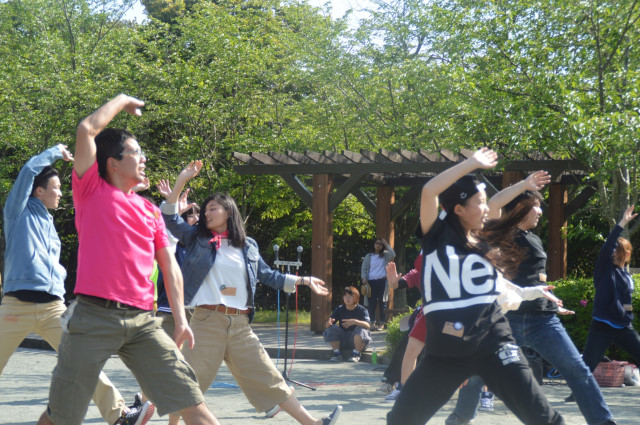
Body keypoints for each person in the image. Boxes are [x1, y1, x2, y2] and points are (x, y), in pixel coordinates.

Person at [36, 94, 220, 425]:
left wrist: (181, 320)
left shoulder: (150, 210)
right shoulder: (90, 189)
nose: (144, 158)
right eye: (136, 152)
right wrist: (122, 101)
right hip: (93, 317)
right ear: (113, 163)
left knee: (193, 403)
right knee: (62, 416)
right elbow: (86, 129)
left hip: (143, 322)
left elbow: (170, 267)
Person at [387, 148, 565, 425]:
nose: (486, 208)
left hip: (493, 342)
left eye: (485, 203)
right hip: (445, 353)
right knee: (401, 420)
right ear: (459, 209)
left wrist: (524, 185)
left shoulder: (484, 238)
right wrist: (471, 164)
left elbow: (495, 205)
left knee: (543, 417)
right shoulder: (435, 237)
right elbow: (429, 191)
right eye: (479, 203)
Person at [161, 160, 342, 425]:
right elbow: (169, 218)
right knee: (188, 383)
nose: (207, 213)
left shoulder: (248, 246)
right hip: (206, 322)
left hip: (240, 325)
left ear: (228, 211)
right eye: (205, 209)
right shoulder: (197, 239)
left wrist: (303, 280)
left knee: (270, 377)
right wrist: (182, 179)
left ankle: (313, 424)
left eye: (213, 208)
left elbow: (269, 275)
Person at [1, 144, 153, 425]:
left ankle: (119, 416)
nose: (61, 193)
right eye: (56, 188)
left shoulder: (49, 224)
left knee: (84, 361)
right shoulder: (17, 212)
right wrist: (53, 152)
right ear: (38, 191)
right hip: (15, 307)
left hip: (53, 308)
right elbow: (28, 171)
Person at [450, 172, 619, 425]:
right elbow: (494, 203)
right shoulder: (500, 233)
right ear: (520, 208)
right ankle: (459, 418)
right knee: (477, 373)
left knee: (577, 370)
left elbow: (536, 280)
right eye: (536, 206)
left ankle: (603, 422)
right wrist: (524, 185)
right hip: (507, 320)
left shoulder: (535, 239)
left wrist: (552, 301)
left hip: (542, 321)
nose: (540, 211)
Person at [579, 206, 640, 387]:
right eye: (613, 250)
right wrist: (622, 223)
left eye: (617, 250)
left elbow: (625, 302)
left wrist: (627, 314)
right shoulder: (605, 269)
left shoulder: (626, 276)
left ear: (626, 253)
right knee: (587, 365)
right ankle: (576, 394)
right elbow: (608, 246)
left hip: (623, 327)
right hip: (602, 325)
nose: (613, 253)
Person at [323, 285, 372, 362]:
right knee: (331, 328)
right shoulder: (339, 309)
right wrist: (328, 323)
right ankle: (337, 353)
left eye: (350, 296)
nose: (347, 298)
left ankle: (356, 354)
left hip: (359, 341)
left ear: (356, 297)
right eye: (345, 296)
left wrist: (355, 321)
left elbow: (368, 325)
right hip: (344, 340)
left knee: (360, 329)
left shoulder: (362, 310)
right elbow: (327, 326)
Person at [361, 238, 395, 330]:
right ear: (374, 244)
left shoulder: (385, 255)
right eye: (377, 243)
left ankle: (382, 324)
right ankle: (372, 323)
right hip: (371, 282)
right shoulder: (369, 256)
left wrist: (386, 244)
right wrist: (364, 277)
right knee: (372, 303)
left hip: (382, 281)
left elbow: (393, 254)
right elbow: (364, 268)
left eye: (380, 244)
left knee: (382, 302)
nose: (378, 245)